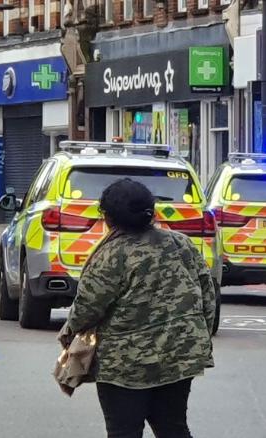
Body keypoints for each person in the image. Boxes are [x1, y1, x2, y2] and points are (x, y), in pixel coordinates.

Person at [61, 178, 216, 438]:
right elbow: (207, 297)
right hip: (179, 356)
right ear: (151, 211)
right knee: (173, 428)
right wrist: (198, 338)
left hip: (125, 364)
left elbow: (87, 307)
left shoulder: (111, 254)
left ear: (108, 217)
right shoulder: (181, 244)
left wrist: (68, 338)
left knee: (123, 431)